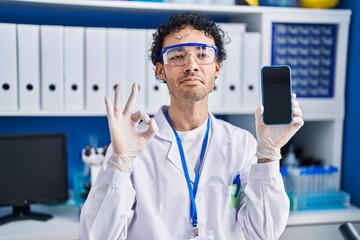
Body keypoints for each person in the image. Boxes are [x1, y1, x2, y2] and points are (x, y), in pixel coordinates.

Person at [79, 11, 304, 240]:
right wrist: (120, 163)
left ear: (217, 68)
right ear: (160, 70)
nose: (191, 65)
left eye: (203, 54)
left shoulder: (242, 144)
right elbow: (96, 237)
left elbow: (264, 234)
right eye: (177, 56)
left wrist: (268, 155)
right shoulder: (130, 147)